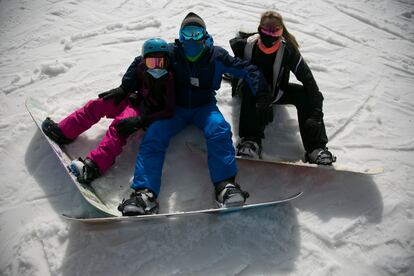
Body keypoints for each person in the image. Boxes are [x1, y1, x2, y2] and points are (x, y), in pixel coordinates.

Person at [117, 12, 272, 216]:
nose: (191, 39)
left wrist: (261, 94)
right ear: (180, 36)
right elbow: (142, 60)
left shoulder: (216, 56)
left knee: (218, 129)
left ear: (204, 34)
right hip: (176, 108)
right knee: (154, 135)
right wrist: (124, 87)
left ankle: (225, 186)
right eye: (186, 33)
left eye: (196, 32)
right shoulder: (172, 53)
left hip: (204, 106)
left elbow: (247, 69)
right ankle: (144, 194)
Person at [41, 38, 176, 184]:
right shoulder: (140, 67)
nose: (156, 67)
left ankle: (95, 165)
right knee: (100, 104)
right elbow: (131, 80)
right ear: (144, 61)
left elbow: (169, 110)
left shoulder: (169, 79)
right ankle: (64, 132)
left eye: (161, 62)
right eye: (152, 62)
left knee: (120, 126)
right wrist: (123, 90)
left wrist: (143, 120)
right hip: (135, 100)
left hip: (147, 114)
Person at [229, 10, 336, 165]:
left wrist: (315, 108)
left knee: (305, 94)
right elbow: (233, 67)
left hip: (275, 92)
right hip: (250, 92)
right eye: (266, 30)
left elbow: (306, 77)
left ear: (281, 31)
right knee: (250, 87)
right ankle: (250, 141)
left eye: (275, 31)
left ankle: (315, 148)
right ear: (260, 29)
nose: (270, 35)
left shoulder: (287, 50)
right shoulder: (246, 46)